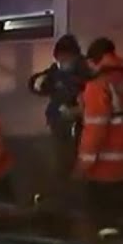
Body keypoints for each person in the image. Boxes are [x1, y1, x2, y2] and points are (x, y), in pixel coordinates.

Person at [73, 37, 123, 235]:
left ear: (93, 61)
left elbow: (95, 129)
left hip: (103, 171)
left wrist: (83, 165)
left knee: (106, 227)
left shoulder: (97, 86)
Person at [29, 34, 92, 176]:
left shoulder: (86, 70)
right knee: (61, 159)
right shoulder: (56, 70)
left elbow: (85, 90)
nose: (61, 62)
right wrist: (38, 82)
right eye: (59, 58)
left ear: (75, 56)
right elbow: (39, 84)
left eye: (65, 58)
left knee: (77, 158)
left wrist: (76, 109)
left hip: (80, 123)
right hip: (58, 121)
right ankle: (63, 179)